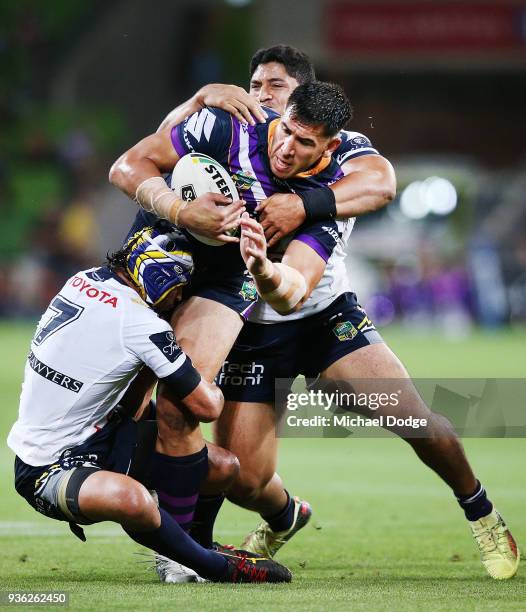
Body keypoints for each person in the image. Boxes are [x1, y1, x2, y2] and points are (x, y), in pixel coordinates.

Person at [152, 47, 519, 581]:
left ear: (301, 97)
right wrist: (198, 99)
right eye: (254, 84)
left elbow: (380, 186)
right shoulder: (232, 132)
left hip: (323, 319)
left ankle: (481, 511)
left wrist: (304, 205)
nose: (259, 96)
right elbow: (158, 151)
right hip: (252, 331)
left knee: (414, 420)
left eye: (274, 86)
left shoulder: (341, 165)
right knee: (245, 478)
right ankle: (283, 515)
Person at [7, 223, 292, 584]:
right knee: (134, 500)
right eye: (178, 287)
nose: (178, 298)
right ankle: (215, 566)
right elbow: (208, 407)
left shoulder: (83, 279)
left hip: (104, 433)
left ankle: (195, 545)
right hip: (47, 466)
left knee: (223, 467)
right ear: (161, 277)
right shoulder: (141, 325)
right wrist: (214, 376)